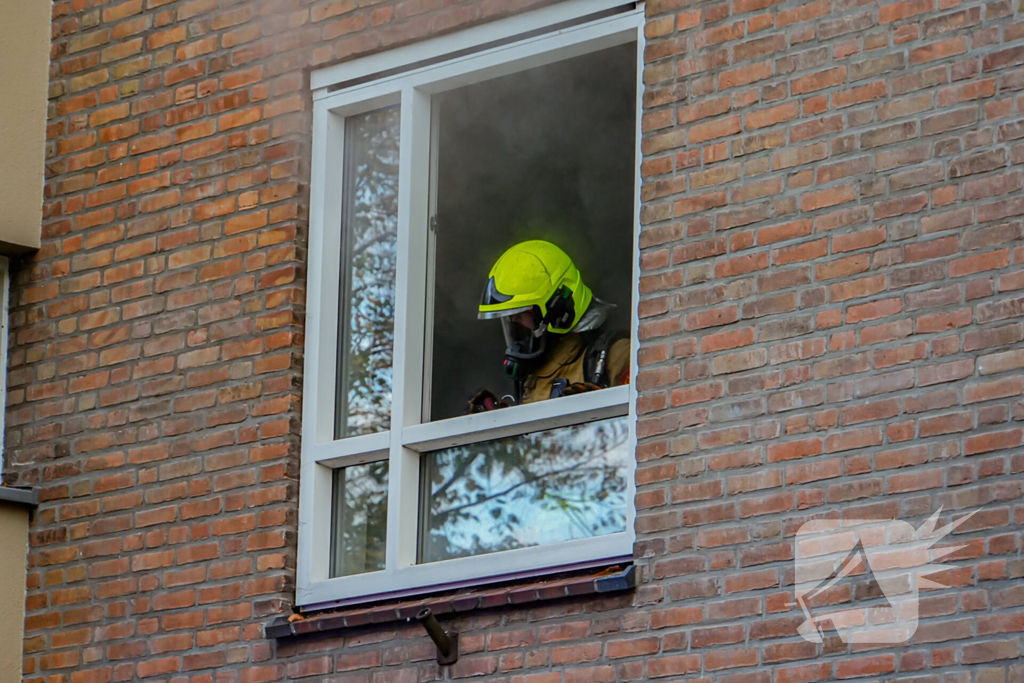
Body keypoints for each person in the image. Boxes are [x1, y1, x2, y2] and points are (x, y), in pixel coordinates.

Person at [469, 240, 630, 412]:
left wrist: (599, 415)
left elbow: (644, 423)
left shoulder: (615, 356)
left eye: (522, 314)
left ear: (560, 311)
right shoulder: (530, 379)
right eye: (510, 317)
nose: (515, 324)